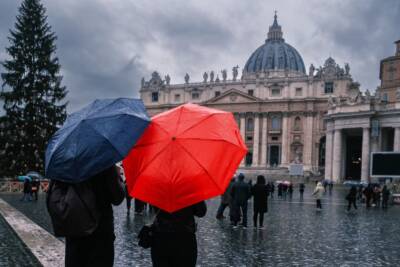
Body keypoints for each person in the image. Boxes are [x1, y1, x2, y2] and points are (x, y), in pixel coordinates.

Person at [65, 165, 125, 267]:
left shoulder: (67, 163)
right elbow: (117, 197)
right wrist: (118, 176)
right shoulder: (105, 162)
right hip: (100, 233)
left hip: (75, 229)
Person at [151, 201, 207, 267]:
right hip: (185, 238)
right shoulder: (190, 191)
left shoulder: (159, 191)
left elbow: (156, 209)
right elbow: (201, 212)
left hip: (161, 237)